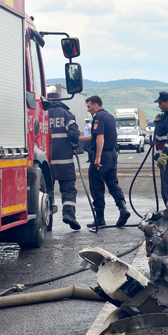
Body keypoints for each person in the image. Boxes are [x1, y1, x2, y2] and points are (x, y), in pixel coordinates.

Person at [79, 95, 130, 228]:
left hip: (103, 155)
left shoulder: (98, 117)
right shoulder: (109, 116)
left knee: (96, 185)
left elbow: (100, 138)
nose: (88, 109)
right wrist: (80, 139)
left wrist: (97, 158)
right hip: (112, 154)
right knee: (113, 183)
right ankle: (123, 208)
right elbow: (94, 136)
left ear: (96, 105)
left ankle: (100, 218)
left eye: (89, 106)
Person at [47, 89, 81, 230]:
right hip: (64, 161)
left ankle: (47, 222)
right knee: (68, 189)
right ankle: (69, 215)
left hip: (46, 163)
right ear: (60, 101)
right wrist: (73, 146)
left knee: (46, 192)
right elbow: (74, 134)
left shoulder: (42, 115)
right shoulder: (67, 115)